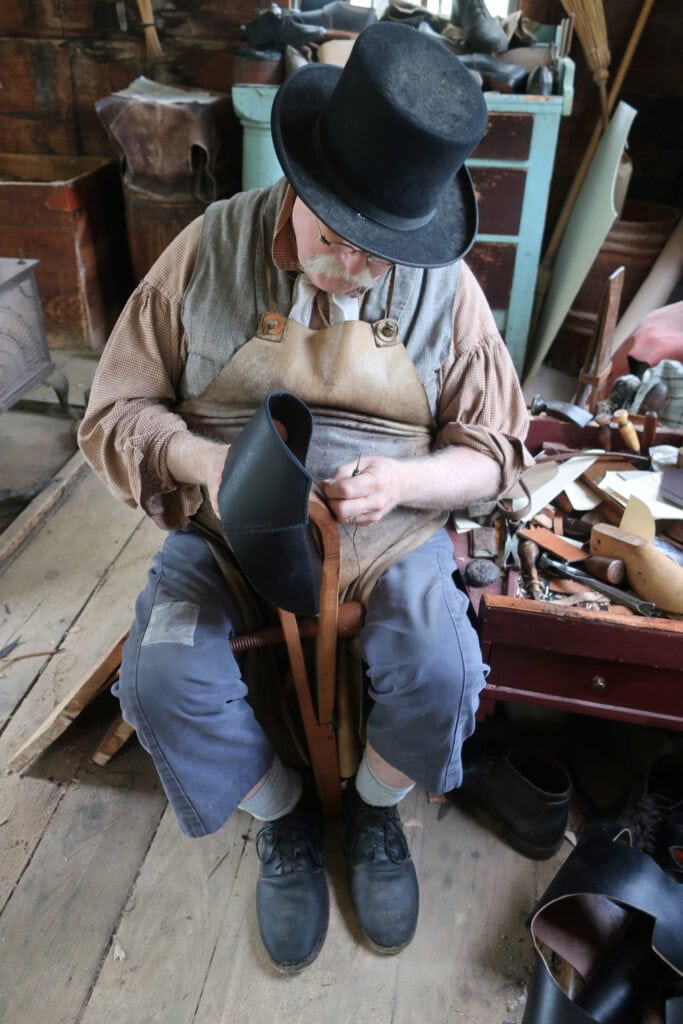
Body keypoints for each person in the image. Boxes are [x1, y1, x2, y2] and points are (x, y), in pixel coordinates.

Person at [78, 21, 532, 973]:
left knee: (443, 668)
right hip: (229, 513)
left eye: (385, 252)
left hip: (388, 526)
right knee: (160, 674)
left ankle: (371, 813)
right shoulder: (208, 251)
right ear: (301, 187)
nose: (362, 271)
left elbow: (491, 454)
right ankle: (281, 817)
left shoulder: (441, 284)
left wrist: (407, 480)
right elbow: (113, 412)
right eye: (340, 241)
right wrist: (208, 466)